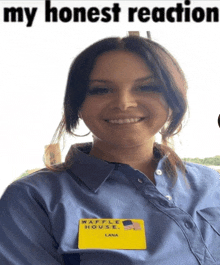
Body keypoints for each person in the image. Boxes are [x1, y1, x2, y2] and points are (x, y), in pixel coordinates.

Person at [0, 36, 220, 265]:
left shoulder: (211, 183)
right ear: (78, 105)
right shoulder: (33, 200)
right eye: (101, 90)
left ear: (174, 100)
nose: (124, 103)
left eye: (147, 87)